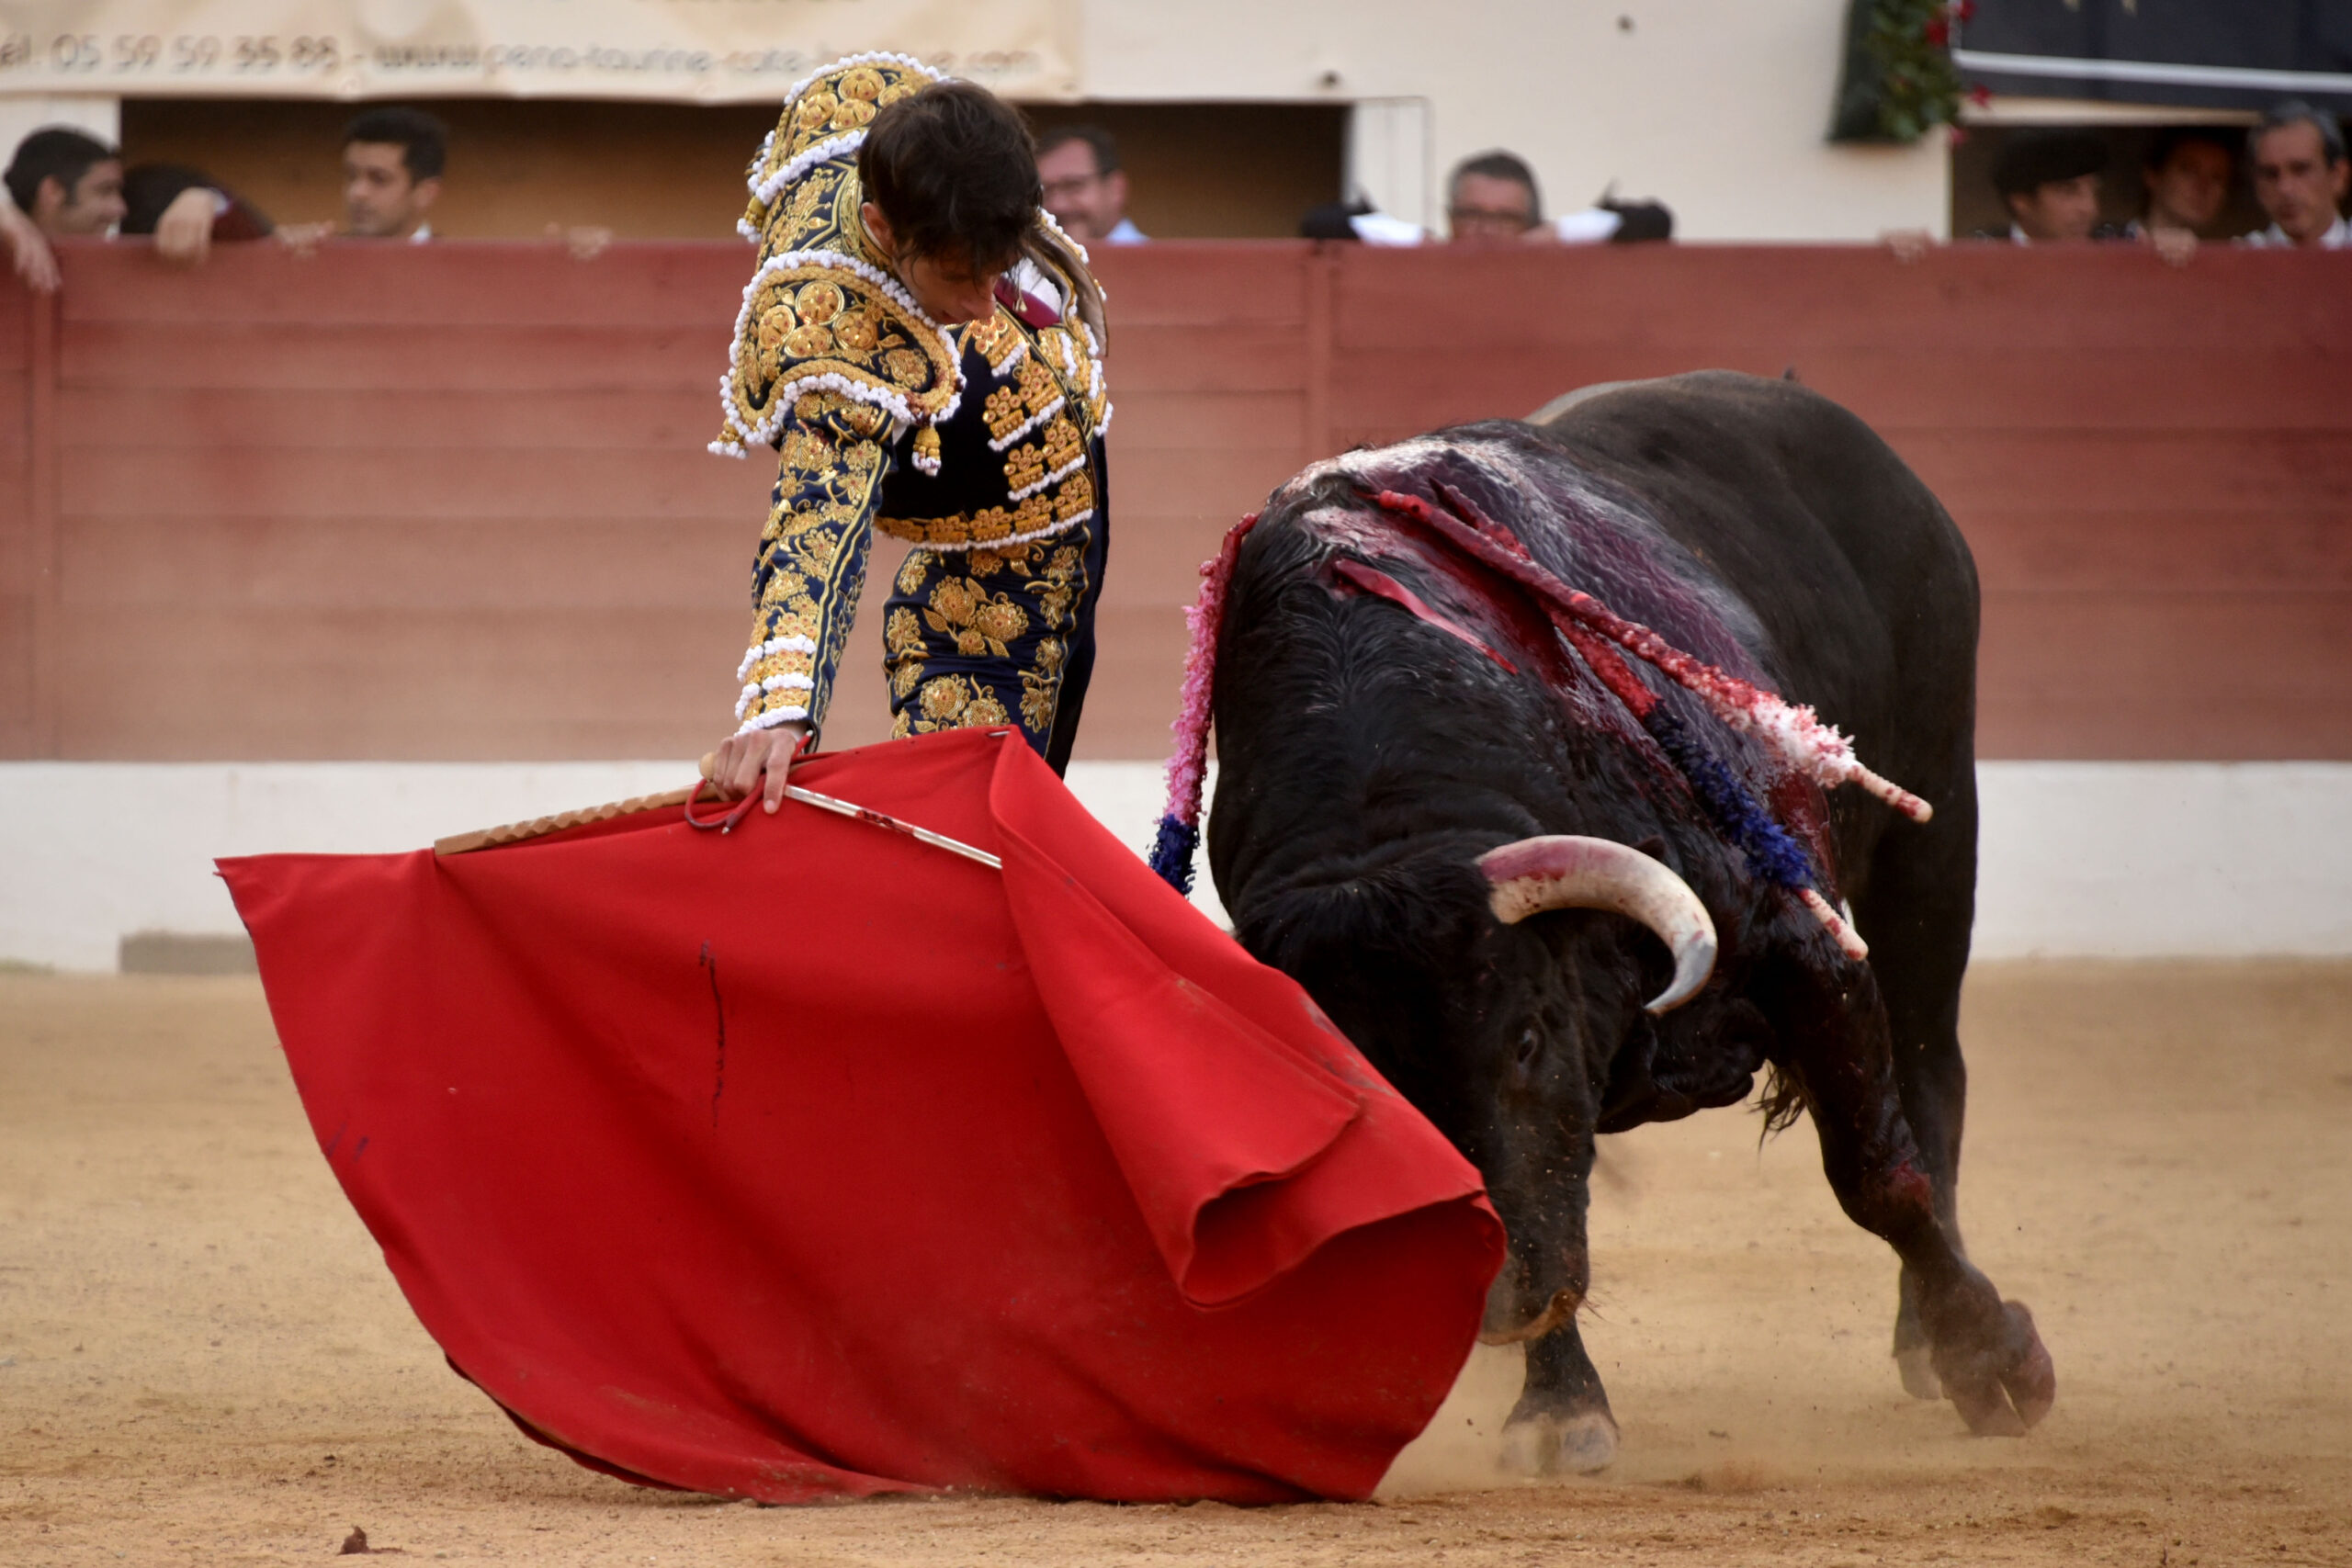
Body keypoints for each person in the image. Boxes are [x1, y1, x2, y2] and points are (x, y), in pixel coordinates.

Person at [707, 56, 1113, 812]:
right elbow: (818, 515)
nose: (986, 304)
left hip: (1038, 499)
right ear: (880, 228)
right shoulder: (831, 334)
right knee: (979, 823)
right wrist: (780, 706)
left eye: (999, 271)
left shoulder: (897, 123)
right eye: (960, 278)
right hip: (995, 529)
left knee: (999, 805)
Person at [2, 125, 246, 288]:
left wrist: (208, 200)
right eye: (104, 190)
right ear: (52, 192)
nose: (121, 209)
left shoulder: (129, 259)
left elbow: (256, 238)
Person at [2242, 101, 2349, 250]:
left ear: (2338, 176)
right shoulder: (2243, 259)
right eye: (2271, 174)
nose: (2285, 188)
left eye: (2301, 170)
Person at [1982, 129, 2114, 243]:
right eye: (2068, 192)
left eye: (2094, 190)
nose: (2090, 209)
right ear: (2021, 201)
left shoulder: (2113, 250)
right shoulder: (1983, 256)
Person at [343, 107, 446, 241]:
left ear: (425, 193)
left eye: (379, 179)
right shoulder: (323, 257)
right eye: (351, 176)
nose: (357, 193)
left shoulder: (455, 261)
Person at [1037, 125, 1145, 244]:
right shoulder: (1026, 262)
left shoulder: (1157, 262)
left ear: (1116, 189)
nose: (1058, 205)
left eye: (1073, 186)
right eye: (1046, 191)